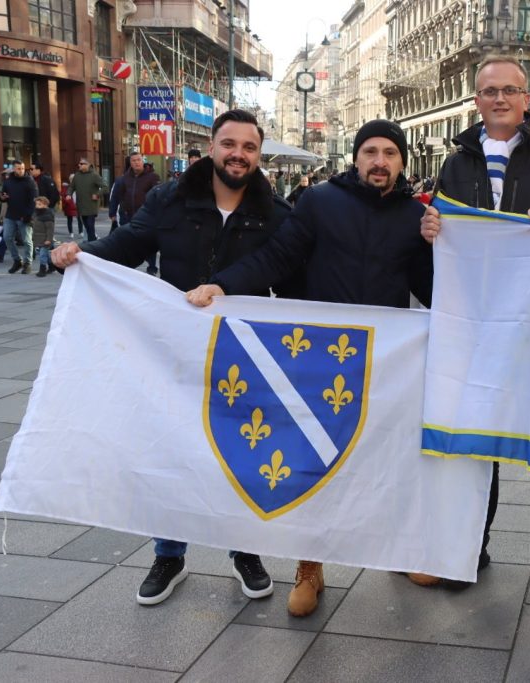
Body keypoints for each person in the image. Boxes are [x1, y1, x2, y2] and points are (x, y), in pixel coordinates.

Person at [183, 119, 432, 618]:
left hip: (384, 360)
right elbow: (277, 258)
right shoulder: (320, 202)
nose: (379, 161)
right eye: (370, 152)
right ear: (356, 158)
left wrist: (436, 246)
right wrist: (223, 285)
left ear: (402, 162)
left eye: (389, 153)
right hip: (319, 358)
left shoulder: (415, 216)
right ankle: (309, 566)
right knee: (315, 461)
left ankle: (402, 551)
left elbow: (430, 289)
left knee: (389, 457)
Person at [51, 109, 297, 607]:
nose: (238, 155)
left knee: (241, 454)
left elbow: (287, 272)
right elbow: (128, 244)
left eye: (249, 147)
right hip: (171, 350)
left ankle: (245, 551)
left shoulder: (276, 213)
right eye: (229, 144)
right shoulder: (171, 198)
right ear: (212, 147)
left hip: (240, 355)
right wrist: (80, 255)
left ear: (258, 154)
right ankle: (169, 555)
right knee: (168, 449)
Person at [420, 54, 530, 601]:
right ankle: (472, 547)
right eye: (489, 91)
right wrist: (432, 227)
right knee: (481, 442)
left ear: (527, 98)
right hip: (478, 324)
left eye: (510, 90)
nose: (499, 99)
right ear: (476, 100)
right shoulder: (456, 161)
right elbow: (444, 228)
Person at [110, 153, 161, 275]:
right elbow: (115, 196)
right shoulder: (123, 178)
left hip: (146, 216)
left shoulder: (153, 177)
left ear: (143, 161)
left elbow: (159, 196)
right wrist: (112, 213)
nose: (136, 162)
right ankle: (128, 268)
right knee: (128, 243)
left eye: (138, 160)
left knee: (149, 242)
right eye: (133, 160)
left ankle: (152, 268)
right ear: (130, 163)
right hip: (127, 216)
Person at [1, 160, 38, 274]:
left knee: (27, 240)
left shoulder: (29, 181)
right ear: (13, 169)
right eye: (18, 168)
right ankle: (17, 260)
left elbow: (34, 200)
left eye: (22, 168)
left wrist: (29, 215)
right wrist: (2, 197)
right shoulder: (8, 181)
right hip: (11, 214)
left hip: (25, 215)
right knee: (7, 237)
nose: (21, 170)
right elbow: (3, 195)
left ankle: (27, 263)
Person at [69, 159, 107, 241]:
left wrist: (97, 194)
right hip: (81, 205)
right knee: (87, 227)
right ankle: (92, 241)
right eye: (79, 163)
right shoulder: (77, 175)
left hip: (91, 206)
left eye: (82, 163)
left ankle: (92, 242)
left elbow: (105, 187)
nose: (79, 165)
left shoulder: (94, 175)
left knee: (90, 226)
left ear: (88, 165)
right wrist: (69, 194)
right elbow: (71, 187)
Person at [30, 195, 55, 277]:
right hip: (38, 238)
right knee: (45, 254)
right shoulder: (36, 214)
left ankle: (42, 270)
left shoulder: (48, 216)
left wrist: (49, 239)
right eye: (36, 204)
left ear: (45, 205)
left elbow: (50, 229)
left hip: (45, 239)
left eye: (39, 204)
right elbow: (34, 225)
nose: (37, 206)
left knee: (42, 255)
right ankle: (51, 266)